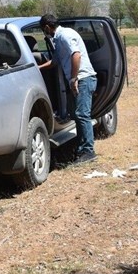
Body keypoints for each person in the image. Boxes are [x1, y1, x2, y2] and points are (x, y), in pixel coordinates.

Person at [39, 14, 98, 163]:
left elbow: (76, 55)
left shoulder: (65, 35)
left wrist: (73, 78)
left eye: (44, 30)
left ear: (47, 27)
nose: (45, 33)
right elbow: (55, 61)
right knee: (77, 116)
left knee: (82, 115)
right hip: (79, 79)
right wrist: (37, 67)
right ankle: (81, 150)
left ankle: (88, 151)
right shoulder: (58, 39)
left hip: (83, 79)